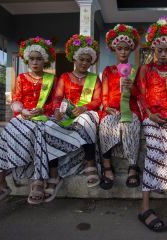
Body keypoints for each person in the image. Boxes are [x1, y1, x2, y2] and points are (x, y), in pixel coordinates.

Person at [0, 37, 57, 210]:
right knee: (7, 131)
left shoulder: (52, 79)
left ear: (45, 60)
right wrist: (22, 111)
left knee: (40, 132)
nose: (35, 62)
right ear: (27, 60)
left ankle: (38, 182)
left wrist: (43, 110)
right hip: (23, 115)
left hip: (43, 117)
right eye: (32, 59)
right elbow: (16, 99)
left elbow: (56, 103)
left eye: (39, 58)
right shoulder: (22, 78)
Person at [136, 16, 167, 233]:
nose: (164, 54)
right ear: (154, 50)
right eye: (160, 50)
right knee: (155, 154)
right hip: (151, 118)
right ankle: (145, 208)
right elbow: (140, 94)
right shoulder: (145, 70)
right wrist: (150, 114)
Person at [43, 34, 102, 201]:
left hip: (85, 112)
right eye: (81, 59)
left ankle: (90, 166)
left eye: (88, 60)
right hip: (67, 114)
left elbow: (98, 100)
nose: (84, 63)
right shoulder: (64, 77)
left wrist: (85, 107)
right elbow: (57, 99)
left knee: (86, 121)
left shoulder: (94, 78)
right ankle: (54, 174)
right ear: (74, 59)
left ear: (91, 62)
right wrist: (57, 111)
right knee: (49, 127)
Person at [99, 24, 142, 190]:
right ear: (114, 50)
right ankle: (107, 166)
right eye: (119, 48)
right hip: (111, 109)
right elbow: (104, 93)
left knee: (130, 125)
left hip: (129, 109)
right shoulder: (108, 70)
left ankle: (132, 167)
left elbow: (140, 95)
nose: (123, 52)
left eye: (126, 49)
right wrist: (106, 105)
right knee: (105, 126)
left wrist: (131, 87)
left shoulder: (136, 71)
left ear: (131, 50)